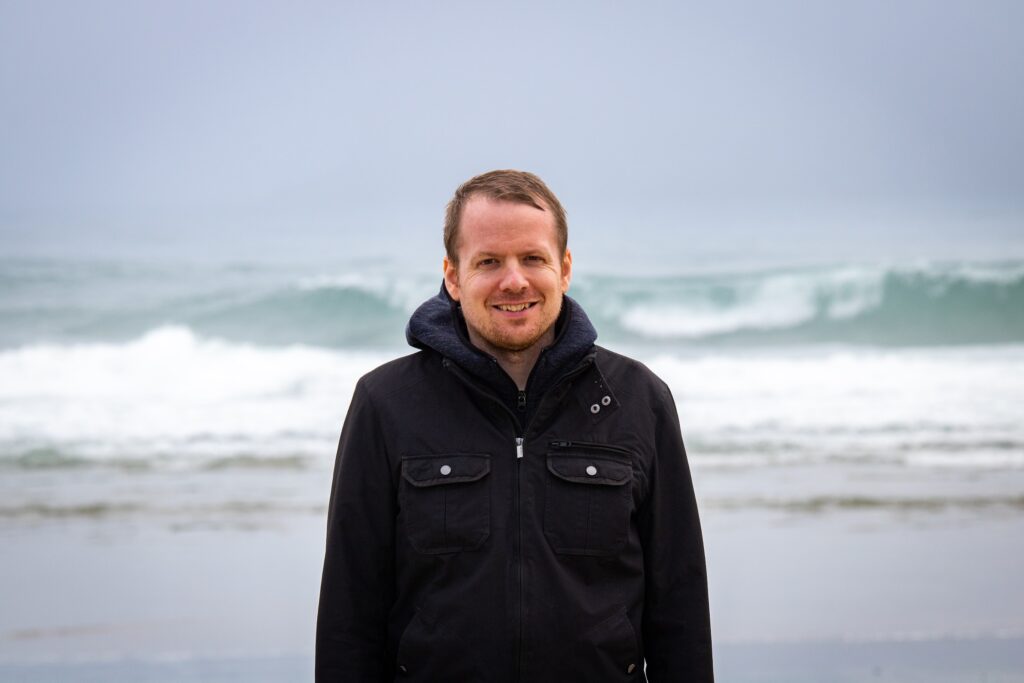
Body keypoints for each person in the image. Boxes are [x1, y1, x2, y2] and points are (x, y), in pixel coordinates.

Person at [316, 170, 713, 682]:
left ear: (563, 269)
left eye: (532, 258)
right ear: (453, 276)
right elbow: (350, 610)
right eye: (488, 262)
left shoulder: (639, 399)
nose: (514, 281)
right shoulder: (385, 403)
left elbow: (680, 606)